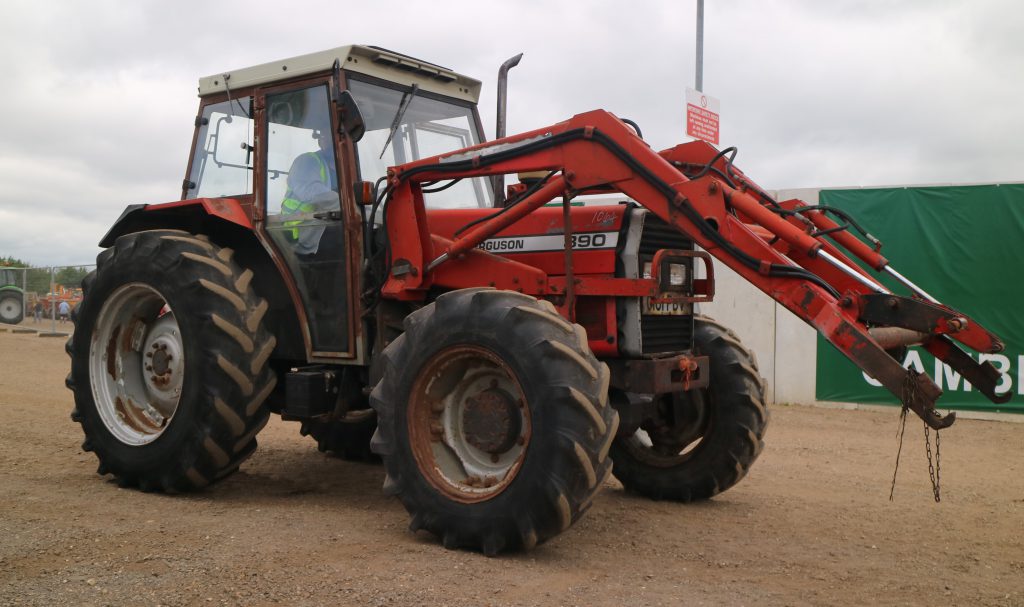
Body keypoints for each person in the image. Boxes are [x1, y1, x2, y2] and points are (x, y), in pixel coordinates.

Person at [280, 127, 339, 256]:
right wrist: (347, 205)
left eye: (334, 136)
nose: (331, 141)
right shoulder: (307, 161)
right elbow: (312, 192)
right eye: (326, 137)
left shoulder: (346, 170)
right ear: (319, 142)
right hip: (300, 235)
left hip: (326, 231)